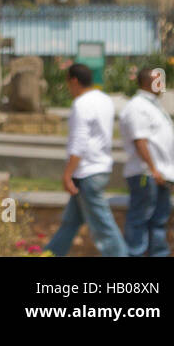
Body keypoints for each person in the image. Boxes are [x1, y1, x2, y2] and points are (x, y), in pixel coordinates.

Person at [45, 63, 127, 257]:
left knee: (103, 226)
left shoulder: (81, 104)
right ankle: (51, 254)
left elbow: (79, 142)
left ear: (74, 81)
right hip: (99, 168)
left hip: (87, 171)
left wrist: (67, 174)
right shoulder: (105, 100)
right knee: (71, 222)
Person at [119, 68, 174, 256]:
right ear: (148, 82)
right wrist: (153, 169)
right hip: (146, 174)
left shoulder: (154, 106)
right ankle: (134, 253)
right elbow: (139, 140)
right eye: (159, 81)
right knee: (140, 218)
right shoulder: (137, 107)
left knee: (159, 220)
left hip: (160, 174)